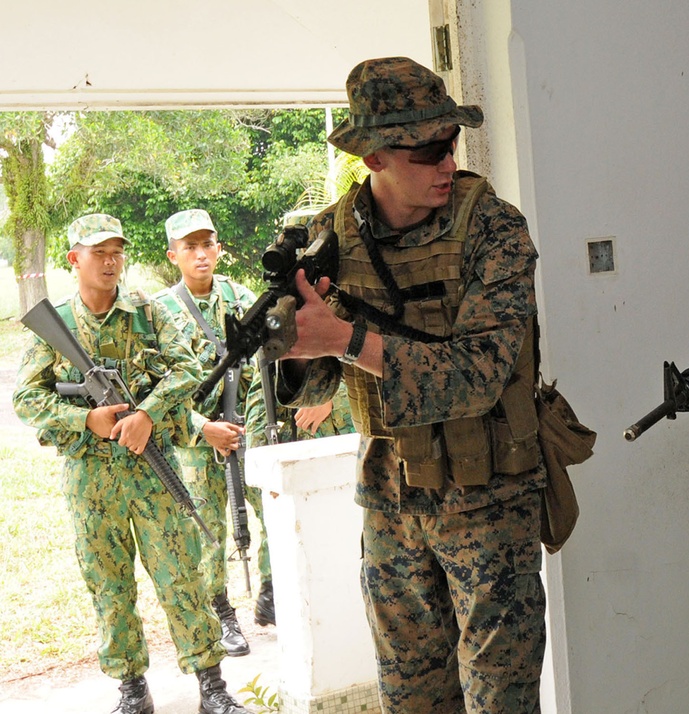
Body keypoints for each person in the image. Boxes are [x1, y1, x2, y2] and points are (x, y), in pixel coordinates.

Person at [275, 57, 548, 713]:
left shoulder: (493, 229)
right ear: (372, 154)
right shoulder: (330, 237)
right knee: (413, 700)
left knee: (500, 702)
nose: (446, 161)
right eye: (426, 150)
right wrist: (290, 339)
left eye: (449, 142)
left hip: (488, 497)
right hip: (391, 501)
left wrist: (342, 338)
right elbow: (315, 391)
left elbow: (478, 376)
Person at [12, 213, 249, 714]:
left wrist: (146, 413)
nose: (109, 260)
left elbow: (187, 368)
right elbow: (26, 400)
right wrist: (86, 422)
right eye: (97, 252)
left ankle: (212, 686)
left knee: (181, 574)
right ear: (73, 259)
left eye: (116, 250)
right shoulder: (54, 326)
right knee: (109, 584)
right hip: (91, 479)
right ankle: (132, 690)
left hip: (152, 469)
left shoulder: (147, 313)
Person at [152, 209, 274, 646]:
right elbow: (156, 387)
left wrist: (249, 431)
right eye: (190, 247)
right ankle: (222, 614)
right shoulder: (159, 312)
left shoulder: (244, 300)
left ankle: (271, 593)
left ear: (219, 249)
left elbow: (266, 371)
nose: (201, 255)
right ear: (174, 256)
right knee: (207, 530)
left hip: (247, 433)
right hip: (195, 440)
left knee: (273, 512)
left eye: (208, 245)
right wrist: (204, 428)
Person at [243, 209, 355, 451]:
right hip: (304, 451)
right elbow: (261, 406)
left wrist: (334, 399)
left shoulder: (356, 300)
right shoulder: (284, 312)